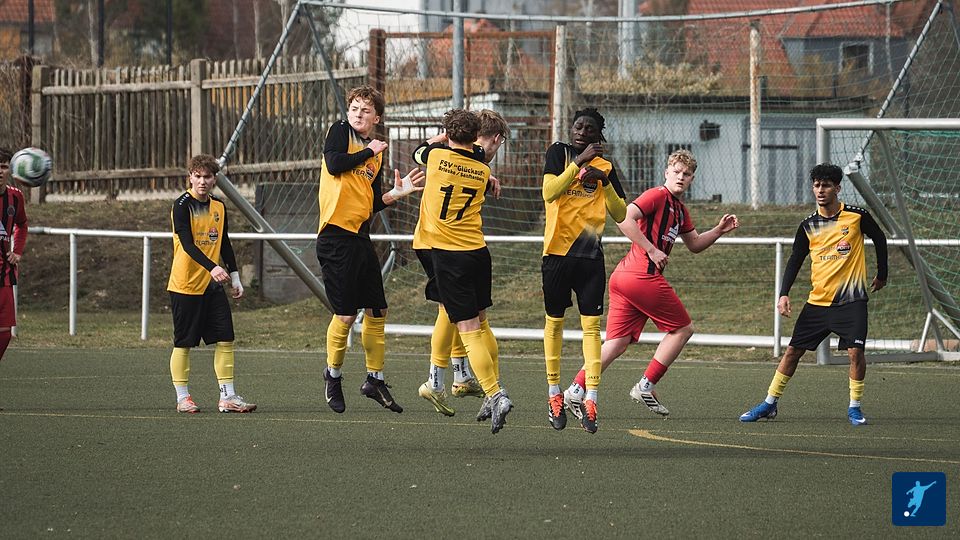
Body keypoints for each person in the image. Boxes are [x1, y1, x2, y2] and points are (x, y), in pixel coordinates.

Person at [563, 149, 739, 418]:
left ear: (692, 179)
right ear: (666, 172)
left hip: (624, 278)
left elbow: (694, 244)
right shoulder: (657, 195)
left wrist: (718, 231)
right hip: (640, 276)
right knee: (683, 329)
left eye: (686, 174)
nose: (681, 177)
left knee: (616, 343)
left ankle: (575, 389)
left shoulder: (680, 211)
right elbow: (624, 217)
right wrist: (651, 249)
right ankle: (646, 385)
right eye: (676, 171)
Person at [739, 163, 887, 426]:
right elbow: (795, 260)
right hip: (817, 302)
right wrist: (783, 294)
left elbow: (880, 238)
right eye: (816, 185)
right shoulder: (808, 225)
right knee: (792, 352)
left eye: (826, 185)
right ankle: (769, 404)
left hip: (851, 301)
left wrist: (882, 273)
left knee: (855, 353)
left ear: (837, 188)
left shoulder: (856, 216)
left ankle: (854, 408)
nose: (820, 190)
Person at [316, 85, 425, 414]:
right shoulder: (341, 131)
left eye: (365, 110)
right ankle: (333, 376)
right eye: (354, 108)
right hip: (335, 237)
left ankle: (374, 380)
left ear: (377, 117)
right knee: (346, 314)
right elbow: (334, 164)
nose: (357, 114)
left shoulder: (374, 154)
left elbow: (373, 200)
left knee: (378, 310)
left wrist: (396, 194)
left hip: (360, 237)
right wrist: (369, 151)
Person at [415, 108, 512, 433]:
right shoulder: (481, 170)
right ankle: (455, 377)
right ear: (477, 138)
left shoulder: (436, 157)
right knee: (474, 320)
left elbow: (422, 151)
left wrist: (443, 136)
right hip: (475, 251)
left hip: (444, 250)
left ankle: (488, 390)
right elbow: (477, 156)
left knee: (463, 322)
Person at [540, 108, 627, 433]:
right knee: (555, 323)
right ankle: (554, 394)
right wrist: (578, 163)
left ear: (598, 135)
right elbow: (549, 192)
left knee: (591, 329)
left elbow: (620, 213)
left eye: (588, 128)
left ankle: (591, 398)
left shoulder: (606, 167)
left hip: (589, 257)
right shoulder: (558, 153)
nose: (581, 132)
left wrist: (603, 182)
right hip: (556, 255)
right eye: (577, 126)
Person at [167, 154, 255, 414]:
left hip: (212, 286)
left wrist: (235, 276)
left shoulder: (219, 206)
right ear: (190, 178)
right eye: (197, 176)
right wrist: (212, 267)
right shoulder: (181, 206)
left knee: (225, 338)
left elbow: (224, 242)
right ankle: (183, 398)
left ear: (214, 179)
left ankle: (228, 397)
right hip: (185, 285)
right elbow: (187, 244)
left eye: (207, 177)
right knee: (184, 343)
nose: (202, 181)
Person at [0, 148, 28, 368]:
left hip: (4, 274)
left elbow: (22, 224)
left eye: (3, 166)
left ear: (10, 169)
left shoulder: (15, 197)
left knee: (5, 333)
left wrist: (17, 250)